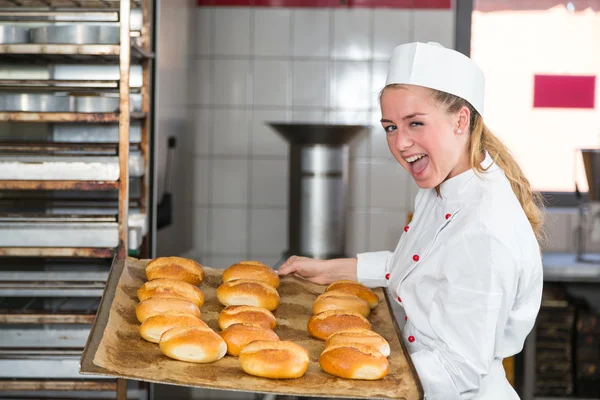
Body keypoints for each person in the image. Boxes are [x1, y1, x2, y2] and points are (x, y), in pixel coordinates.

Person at [277, 42, 544, 400]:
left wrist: (346, 369)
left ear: (460, 120)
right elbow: (420, 267)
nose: (401, 143)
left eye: (415, 123)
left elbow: (456, 370)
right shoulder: (443, 187)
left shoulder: (485, 229)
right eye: (389, 127)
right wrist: (327, 270)